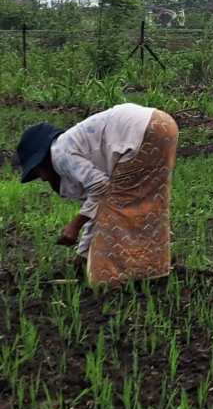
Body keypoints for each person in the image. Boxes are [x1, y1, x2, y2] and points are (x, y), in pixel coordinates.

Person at [16, 103, 179, 286]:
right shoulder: (76, 145)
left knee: (115, 210)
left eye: (38, 173)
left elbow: (101, 188)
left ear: (42, 161)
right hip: (163, 125)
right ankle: (151, 269)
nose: (43, 179)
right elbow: (97, 206)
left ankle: (108, 280)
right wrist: (82, 253)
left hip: (141, 132)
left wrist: (75, 225)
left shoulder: (59, 154)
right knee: (149, 205)